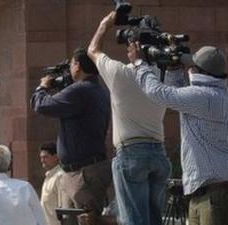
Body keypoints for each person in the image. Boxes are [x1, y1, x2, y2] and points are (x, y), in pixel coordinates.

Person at [132, 44, 228, 225]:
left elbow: (159, 93)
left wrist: (140, 63)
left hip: (219, 192)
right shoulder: (220, 92)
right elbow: (179, 95)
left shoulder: (206, 96)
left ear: (197, 71)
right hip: (208, 191)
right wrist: (173, 69)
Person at [87, 11, 174, 225]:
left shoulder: (119, 73)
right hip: (159, 153)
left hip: (131, 153)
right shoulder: (163, 77)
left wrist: (105, 23)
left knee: (134, 221)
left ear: (132, 47)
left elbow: (92, 50)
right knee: (155, 220)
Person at [31, 47, 112, 224]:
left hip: (83, 174)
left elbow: (42, 105)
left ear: (77, 66)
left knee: (86, 220)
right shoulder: (97, 90)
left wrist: (43, 87)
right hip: (83, 170)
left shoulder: (81, 91)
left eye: (71, 65)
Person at [39, 142, 64, 225]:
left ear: (56, 157)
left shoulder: (60, 176)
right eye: (41, 157)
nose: (42, 160)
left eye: (45, 157)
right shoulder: (49, 176)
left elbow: (62, 208)